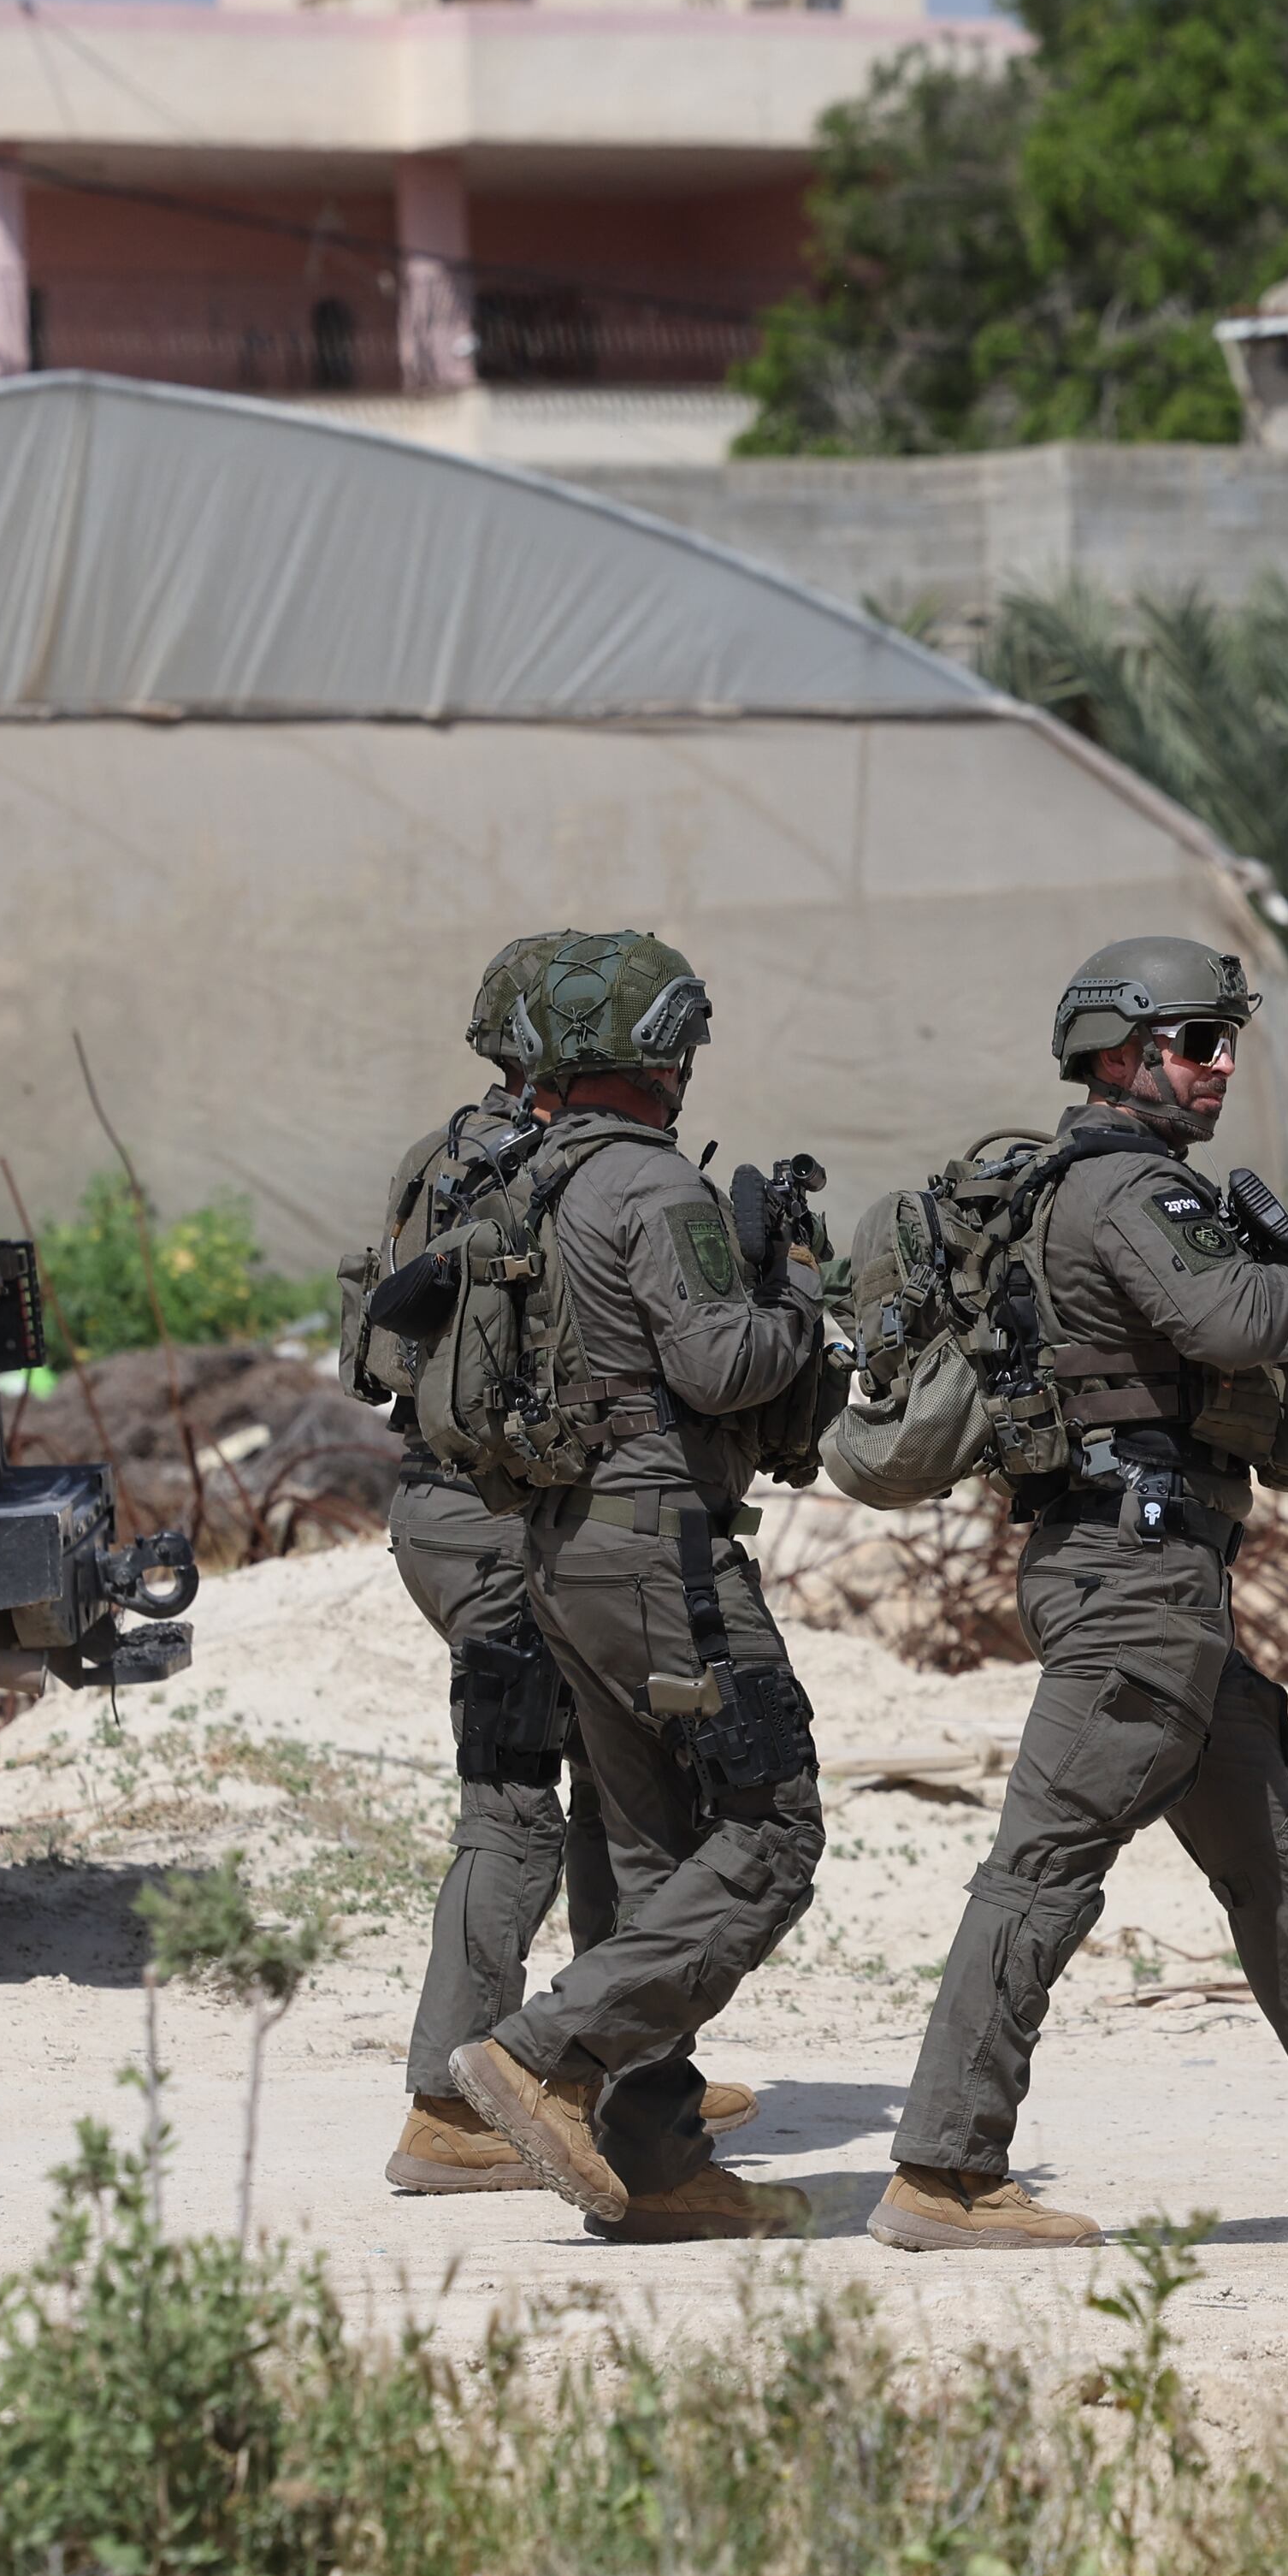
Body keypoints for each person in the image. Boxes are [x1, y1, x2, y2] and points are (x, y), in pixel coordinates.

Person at [874, 936, 1288, 2251]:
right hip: (1133, 1586)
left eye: (1224, 1038)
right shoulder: (1127, 1192)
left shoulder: (1127, 1186)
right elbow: (1239, 1320)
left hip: (1161, 1580)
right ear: (1117, 1056)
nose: (1220, 1060)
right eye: (1194, 1039)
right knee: (1040, 1873)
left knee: (1270, 1865)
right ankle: (943, 2174)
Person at [446, 930, 831, 2241]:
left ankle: (656, 2161)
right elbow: (725, 1361)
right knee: (773, 1831)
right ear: (648, 1052)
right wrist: (801, 1301)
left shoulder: (523, 1178)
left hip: (563, 1547)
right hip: (664, 1548)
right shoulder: (652, 1185)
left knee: (654, 1849)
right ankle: (543, 2055)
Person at [365, 939, 753, 2192]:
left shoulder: (457, 1154)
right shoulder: (537, 1165)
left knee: (605, 1783)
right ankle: (452, 2104)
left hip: (470, 1504)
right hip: (491, 1515)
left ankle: (608, 2055)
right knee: (518, 1792)